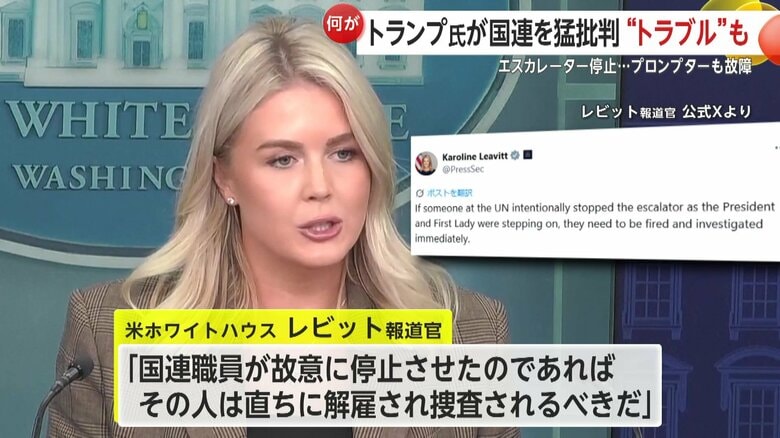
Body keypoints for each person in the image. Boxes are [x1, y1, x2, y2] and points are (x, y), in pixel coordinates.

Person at [48, 16, 517, 438]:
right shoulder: (107, 335)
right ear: (225, 178)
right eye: (283, 159)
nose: (320, 187)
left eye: (343, 153)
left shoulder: (470, 334)